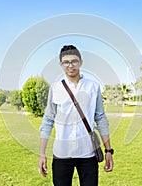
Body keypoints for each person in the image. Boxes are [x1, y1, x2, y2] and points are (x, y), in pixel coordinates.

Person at [38, 45, 114, 186]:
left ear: (81, 62)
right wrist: (42, 153)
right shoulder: (55, 88)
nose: (70, 65)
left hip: (88, 154)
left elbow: (101, 118)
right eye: (66, 62)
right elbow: (48, 120)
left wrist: (108, 150)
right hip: (61, 154)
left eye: (74, 61)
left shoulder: (93, 86)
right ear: (61, 64)